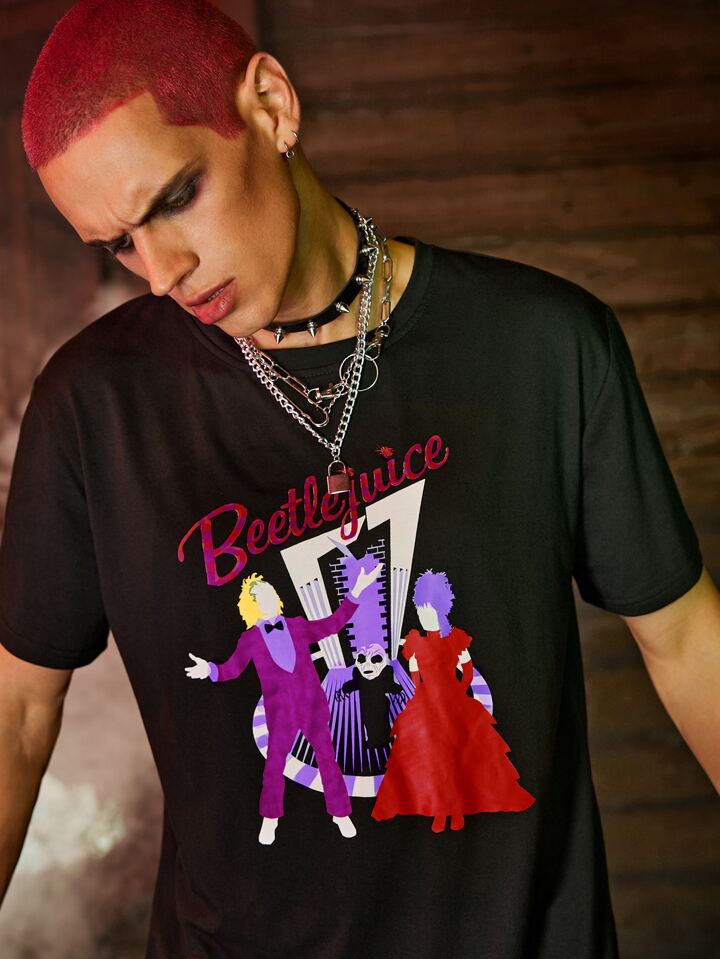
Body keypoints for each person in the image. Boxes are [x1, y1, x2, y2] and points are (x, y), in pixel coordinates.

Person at [1, 1, 718, 957]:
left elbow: (686, 639)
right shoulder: (90, 407)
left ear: (271, 105)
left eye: (174, 198)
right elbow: (16, 714)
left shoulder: (542, 345)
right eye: (119, 244)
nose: (161, 271)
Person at [371, 569, 536, 832]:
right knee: (432, 761)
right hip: (426, 706)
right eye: (419, 610)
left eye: (426, 611)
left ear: (439, 610)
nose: (422, 616)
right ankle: (440, 812)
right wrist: (423, 697)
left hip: (454, 703)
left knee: (456, 760)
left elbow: (467, 671)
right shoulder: (415, 643)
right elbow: (415, 678)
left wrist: (456, 692)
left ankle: (456, 811)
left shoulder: (455, 639)